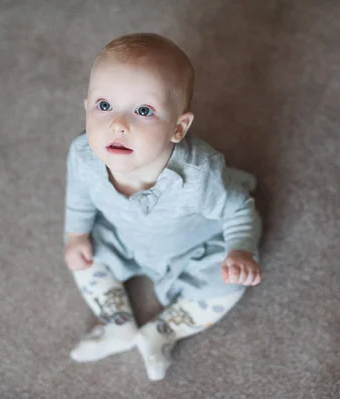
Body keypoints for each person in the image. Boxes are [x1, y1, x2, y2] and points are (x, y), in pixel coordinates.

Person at [64, 33, 262, 381]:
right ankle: (118, 323)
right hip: (123, 236)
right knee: (81, 255)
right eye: (104, 105)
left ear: (178, 127)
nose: (118, 124)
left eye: (143, 110)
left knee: (229, 282)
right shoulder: (83, 155)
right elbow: (78, 195)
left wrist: (240, 250)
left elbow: (239, 210)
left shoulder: (199, 176)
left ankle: (163, 330)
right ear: (86, 107)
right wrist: (76, 234)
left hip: (191, 248)